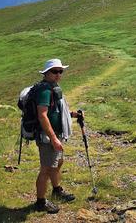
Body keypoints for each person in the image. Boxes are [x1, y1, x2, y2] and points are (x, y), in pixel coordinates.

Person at [34, 58, 80, 214]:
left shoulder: (54, 87)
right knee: (46, 168)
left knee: (58, 162)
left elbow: (57, 111)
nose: (58, 74)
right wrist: (53, 138)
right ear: (46, 73)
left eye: (61, 71)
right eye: (55, 71)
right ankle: (40, 202)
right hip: (47, 136)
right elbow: (42, 115)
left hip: (55, 134)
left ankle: (57, 190)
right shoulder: (45, 90)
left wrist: (73, 114)